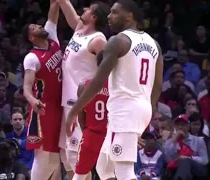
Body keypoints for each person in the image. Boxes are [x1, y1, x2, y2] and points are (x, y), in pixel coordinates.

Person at [66, 0, 164, 179]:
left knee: (124, 170)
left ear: (129, 16)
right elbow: (157, 86)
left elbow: (97, 82)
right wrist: (144, 115)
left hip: (124, 109)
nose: (109, 17)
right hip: (139, 108)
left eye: (114, 12)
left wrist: (73, 111)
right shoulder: (154, 44)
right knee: (104, 168)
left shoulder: (118, 41)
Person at [56, 0, 110, 177]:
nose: (84, 10)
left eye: (88, 9)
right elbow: (67, 9)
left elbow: (106, 73)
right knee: (73, 154)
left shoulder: (99, 40)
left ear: (93, 17)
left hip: (90, 99)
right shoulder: (80, 29)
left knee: (80, 153)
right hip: (74, 94)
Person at [22, 0, 62, 179]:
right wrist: (33, 101)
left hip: (60, 104)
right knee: (42, 154)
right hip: (43, 107)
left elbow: (54, 8)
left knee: (55, 155)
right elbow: (26, 88)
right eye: (35, 28)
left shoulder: (52, 37)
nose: (39, 26)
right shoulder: (31, 58)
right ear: (31, 37)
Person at [72, 78, 109, 180]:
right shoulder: (116, 85)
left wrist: (86, 131)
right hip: (110, 137)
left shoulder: (84, 85)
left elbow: (81, 116)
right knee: (110, 174)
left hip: (91, 135)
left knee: (79, 175)